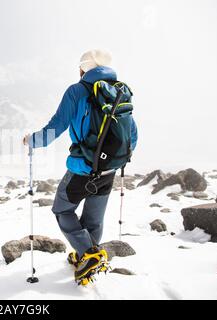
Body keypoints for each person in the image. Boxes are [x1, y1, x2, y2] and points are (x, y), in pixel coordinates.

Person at [23, 49, 138, 281]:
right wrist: (112, 158)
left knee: (62, 209)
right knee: (93, 219)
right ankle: (87, 258)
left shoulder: (77, 90)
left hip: (83, 167)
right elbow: (132, 135)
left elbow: (56, 126)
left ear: (83, 68)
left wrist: (31, 140)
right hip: (110, 168)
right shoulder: (120, 91)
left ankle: (89, 254)